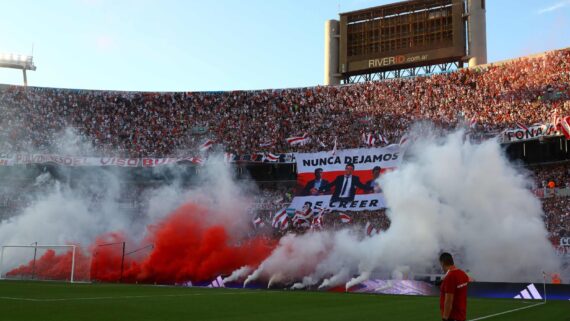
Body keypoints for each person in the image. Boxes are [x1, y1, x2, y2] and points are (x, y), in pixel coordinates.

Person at [439, 252, 469, 321]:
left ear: (442, 263)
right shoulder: (462, 273)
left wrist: (445, 318)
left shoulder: (450, 277)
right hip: (461, 315)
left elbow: (448, 301)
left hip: (452, 316)